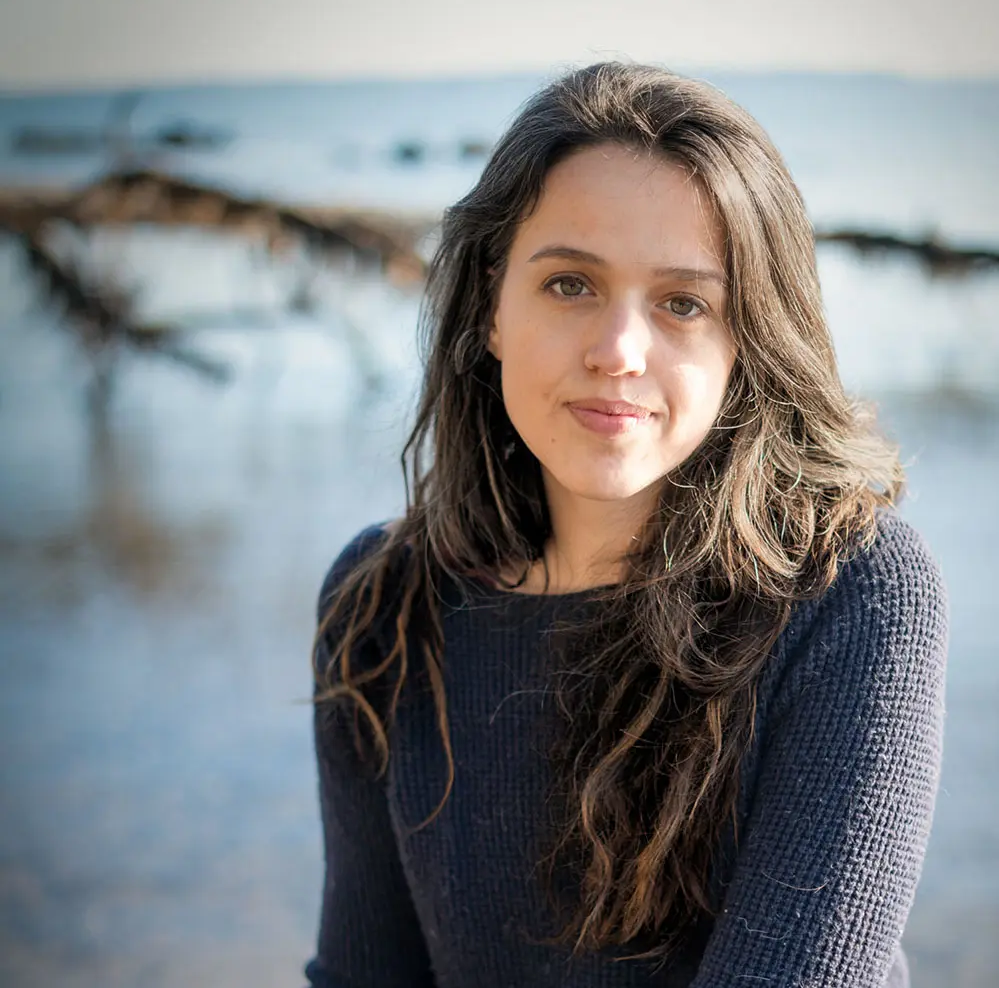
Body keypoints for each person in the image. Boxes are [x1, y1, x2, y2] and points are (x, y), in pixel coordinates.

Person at [304, 62, 948, 988]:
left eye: (683, 303)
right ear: (490, 305)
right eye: (570, 285)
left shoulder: (848, 592)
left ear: (747, 340)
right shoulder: (379, 607)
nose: (617, 352)